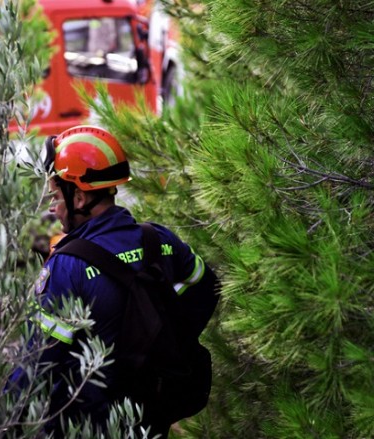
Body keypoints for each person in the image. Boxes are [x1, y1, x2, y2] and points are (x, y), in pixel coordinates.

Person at [11, 125, 218, 436]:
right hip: (150, 418)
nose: (52, 207)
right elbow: (206, 288)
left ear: (79, 197)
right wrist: (164, 346)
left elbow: (36, 365)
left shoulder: (68, 266)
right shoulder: (159, 240)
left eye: (56, 195)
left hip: (88, 427)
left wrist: (3, 421)